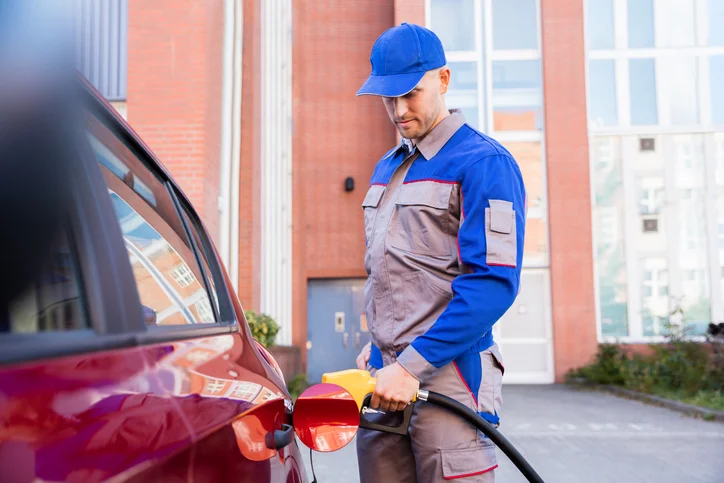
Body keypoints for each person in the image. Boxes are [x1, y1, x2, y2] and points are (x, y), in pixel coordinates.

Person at [354, 23, 526, 482]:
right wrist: (379, 350)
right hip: (384, 378)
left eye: (410, 93)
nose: (398, 109)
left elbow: (493, 284)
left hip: (451, 377)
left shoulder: (484, 163)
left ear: (443, 79)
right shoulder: (386, 169)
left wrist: (411, 366)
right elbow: (393, 272)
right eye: (387, 98)